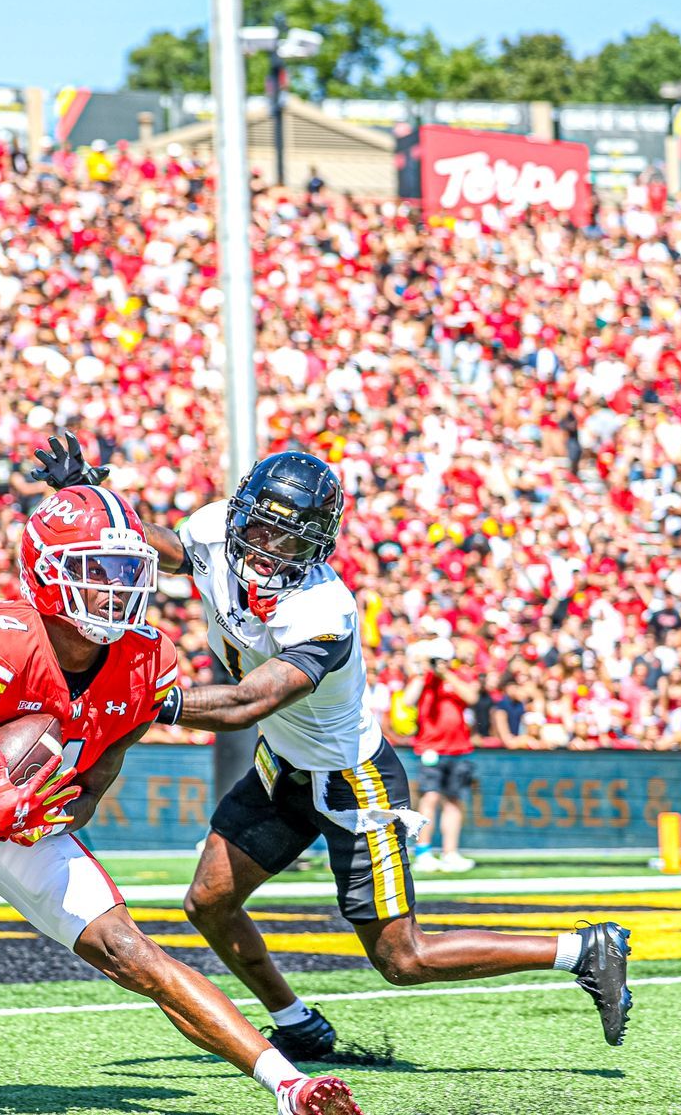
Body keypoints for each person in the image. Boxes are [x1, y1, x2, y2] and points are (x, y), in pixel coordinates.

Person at [31, 437, 632, 1060]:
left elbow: (248, 703)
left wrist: (150, 700)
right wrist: (90, 499)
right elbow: (157, 543)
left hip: (351, 779)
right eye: (263, 531)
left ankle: (582, 949)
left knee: (403, 959)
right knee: (209, 902)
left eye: (292, 543)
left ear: (317, 547)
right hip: (282, 764)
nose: (270, 553)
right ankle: (295, 1022)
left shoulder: (324, 608)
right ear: (239, 517)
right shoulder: (213, 531)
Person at [0, 485, 363, 1114]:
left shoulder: (146, 661)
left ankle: (287, 1084)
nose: (117, 588)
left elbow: (93, 786)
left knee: (134, 954)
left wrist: (51, 814)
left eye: (126, 570)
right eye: (97, 571)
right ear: (46, 573)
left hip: (27, 831)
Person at [405, 641, 480, 873]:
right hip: (431, 749)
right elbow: (408, 700)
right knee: (430, 798)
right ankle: (424, 852)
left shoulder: (459, 676)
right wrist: (422, 672)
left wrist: (446, 673)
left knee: (454, 802)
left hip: (459, 749)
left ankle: (450, 853)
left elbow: (471, 698)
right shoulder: (424, 679)